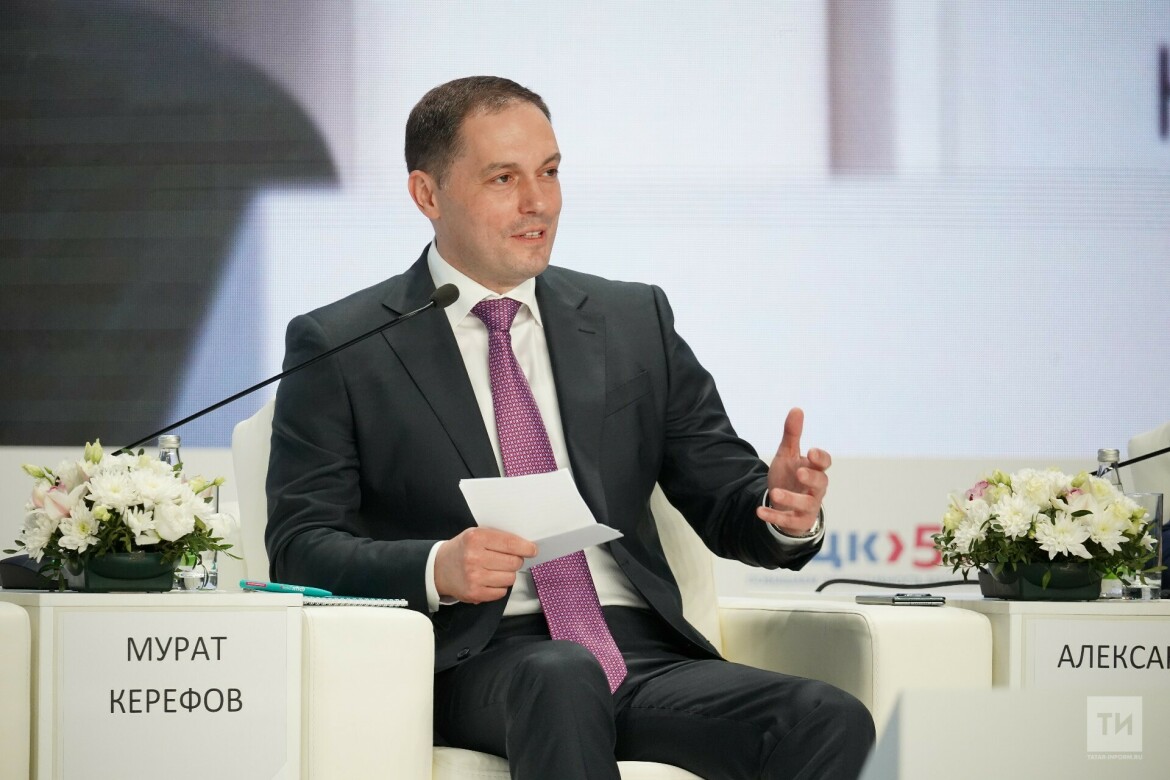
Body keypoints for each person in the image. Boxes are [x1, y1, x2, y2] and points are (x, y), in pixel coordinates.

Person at [266, 75, 875, 779]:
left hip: (638, 651)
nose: (539, 203)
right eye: (504, 178)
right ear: (427, 195)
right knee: (561, 675)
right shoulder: (344, 345)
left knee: (827, 718)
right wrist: (438, 566)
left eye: (550, 172)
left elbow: (724, 496)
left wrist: (781, 512)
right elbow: (300, 548)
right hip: (475, 658)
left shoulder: (632, 320)